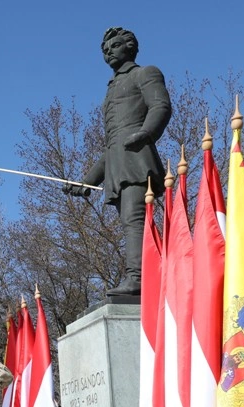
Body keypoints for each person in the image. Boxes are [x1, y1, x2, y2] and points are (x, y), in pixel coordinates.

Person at [63, 26, 171, 297]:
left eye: (115, 45)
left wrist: (146, 133)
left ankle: (138, 277)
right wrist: (86, 181)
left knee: (135, 218)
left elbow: (160, 106)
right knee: (129, 222)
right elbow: (112, 147)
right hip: (119, 163)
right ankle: (143, 274)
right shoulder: (111, 88)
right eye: (104, 49)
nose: (108, 50)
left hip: (137, 159)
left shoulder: (144, 73)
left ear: (130, 47)